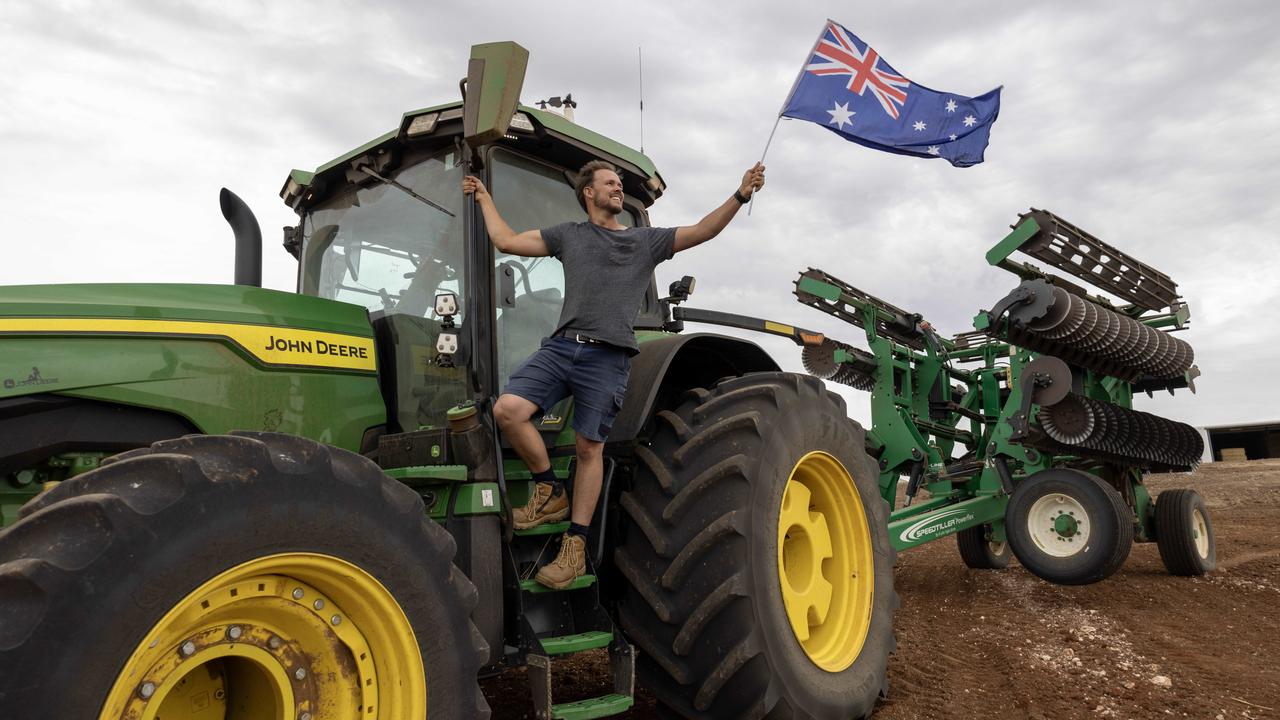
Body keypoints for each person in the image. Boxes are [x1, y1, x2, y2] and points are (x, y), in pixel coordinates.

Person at [462, 159, 766, 588]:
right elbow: (506, 241)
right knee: (509, 410)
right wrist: (484, 198)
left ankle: (575, 546)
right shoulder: (568, 235)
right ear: (589, 192)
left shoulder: (645, 242)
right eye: (610, 184)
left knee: (589, 448)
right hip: (563, 346)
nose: (617, 189)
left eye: (619, 184)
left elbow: (703, 230)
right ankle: (549, 489)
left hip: (608, 358)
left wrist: (739, 195)